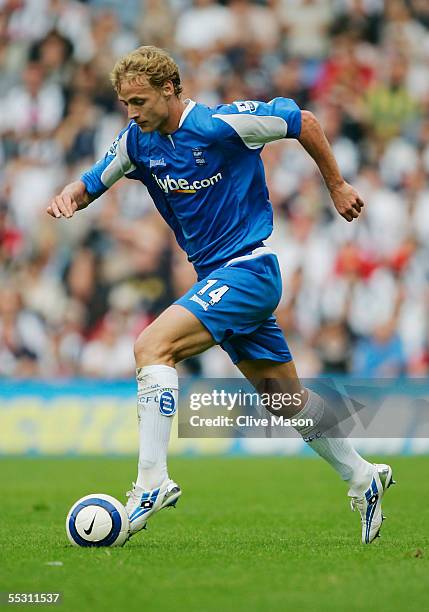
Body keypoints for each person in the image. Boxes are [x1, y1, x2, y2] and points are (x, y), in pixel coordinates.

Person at [47, 46, 395, 544]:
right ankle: (363, 477)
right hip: (216, 277)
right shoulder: (137, 143)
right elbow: (91, 183)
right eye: (126, 103)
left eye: (139, 100)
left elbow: (305, 121)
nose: (132, 112)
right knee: (285, 401)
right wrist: (68, 197)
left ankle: (151, 482)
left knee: (151, 347)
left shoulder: (221, 125)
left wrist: (336, 185)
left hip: (249, 268)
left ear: (170, 89)